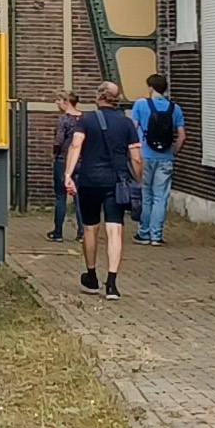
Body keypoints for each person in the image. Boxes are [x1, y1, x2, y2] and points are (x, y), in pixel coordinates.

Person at [65, 80, 144, 300]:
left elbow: (75, 145)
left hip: (90, 180)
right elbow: (136, 158)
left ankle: (91, 276)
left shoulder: (86, 120)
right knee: (115, 230)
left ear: (99, 97)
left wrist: (68, 175)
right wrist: (139, 179)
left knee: (90, 229)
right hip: (117, 182)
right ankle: (112, 284)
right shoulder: (126, 124)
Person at [129, 73, 187, 246]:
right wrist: (172, 152)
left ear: (150, 87)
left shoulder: (140, 104)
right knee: (160, 197)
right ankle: (157, 236)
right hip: (166, 158)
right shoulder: (174, 108)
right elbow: (182, 136)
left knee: (147, 195)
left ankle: (143, 233)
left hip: (145, 156)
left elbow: (133, 130)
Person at [46, 91, 83, 241]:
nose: (57, 103)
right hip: (81, 160)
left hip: (63, 159)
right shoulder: (84, 118)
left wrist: (54, 153)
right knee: (80, 197)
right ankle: (81, 232)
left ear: (67, 101)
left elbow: (59, 140)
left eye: (59, 100)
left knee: (60, 196)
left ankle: (58, 232)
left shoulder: (64, 119)